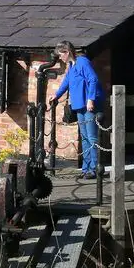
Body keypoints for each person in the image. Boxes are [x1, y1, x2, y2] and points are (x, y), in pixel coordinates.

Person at [47, 41, 106, 180]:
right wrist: (56, 95)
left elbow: (93, 79)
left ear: (67, 52)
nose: (60, 57)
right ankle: (86, 169)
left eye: (61, 54)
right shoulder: (72, 65)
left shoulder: (82, 62)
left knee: (91, 137)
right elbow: (66, 82)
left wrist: (91, 99)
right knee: (84, 138)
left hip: (89, 106)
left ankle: (94, 169)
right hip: (79, 106)